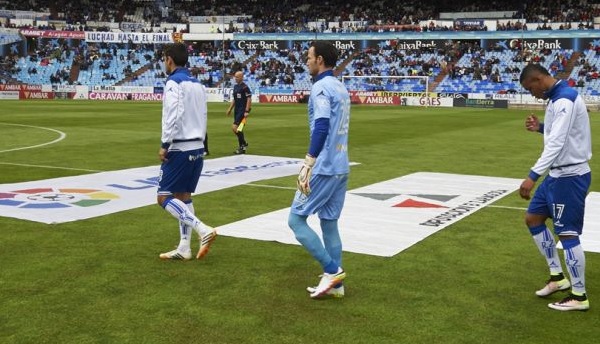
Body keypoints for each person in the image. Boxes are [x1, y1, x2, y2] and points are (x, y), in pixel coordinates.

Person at [519, 63, 592, 311]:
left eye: (531, 88)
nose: (532, 94)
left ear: (539, 79)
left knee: (568, 234)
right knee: (533, 219)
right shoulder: (556, 98)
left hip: (569, 176)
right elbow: (563, 133)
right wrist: (540, 128)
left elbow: (558, 143)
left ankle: (579, 296)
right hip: (556, 175)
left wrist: (532, 176)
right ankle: (557, 277)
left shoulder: (565, 98)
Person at [288, 41, 351, 299]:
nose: (307, 61)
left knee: (295, 220)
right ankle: (336, 287)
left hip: (324, 166)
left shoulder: (321, 87)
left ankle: (332, 270)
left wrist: (308, 162)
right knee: (329, 222)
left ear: (320, 60)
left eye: (310, 57)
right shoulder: (340, 87)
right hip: (341, 165)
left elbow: (322, 125)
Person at [156, 43, 216, 260]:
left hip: (180, 146)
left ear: (170, 59)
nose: (164, 62)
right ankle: (184, 248)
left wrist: (165, 144)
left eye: (164, 58)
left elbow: (173, 113)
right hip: (198, 146)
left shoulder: (173, 82)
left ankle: (203, 230)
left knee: (163, 197)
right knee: (184, 196)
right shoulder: (198, 84)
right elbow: (203, 115)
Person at [226, 70, 251, 154]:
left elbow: (249, 99)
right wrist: (230, 109)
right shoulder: (236, 87)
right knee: (239, 129)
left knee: (235, 127)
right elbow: (235, 99)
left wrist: (247, 111)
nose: (235, 78)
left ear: (241, 77)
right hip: (237, 110)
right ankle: (243, 146)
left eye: (237, 77)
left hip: (243, 111)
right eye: (235, 77)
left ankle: (243, 145)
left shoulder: (245, 87)